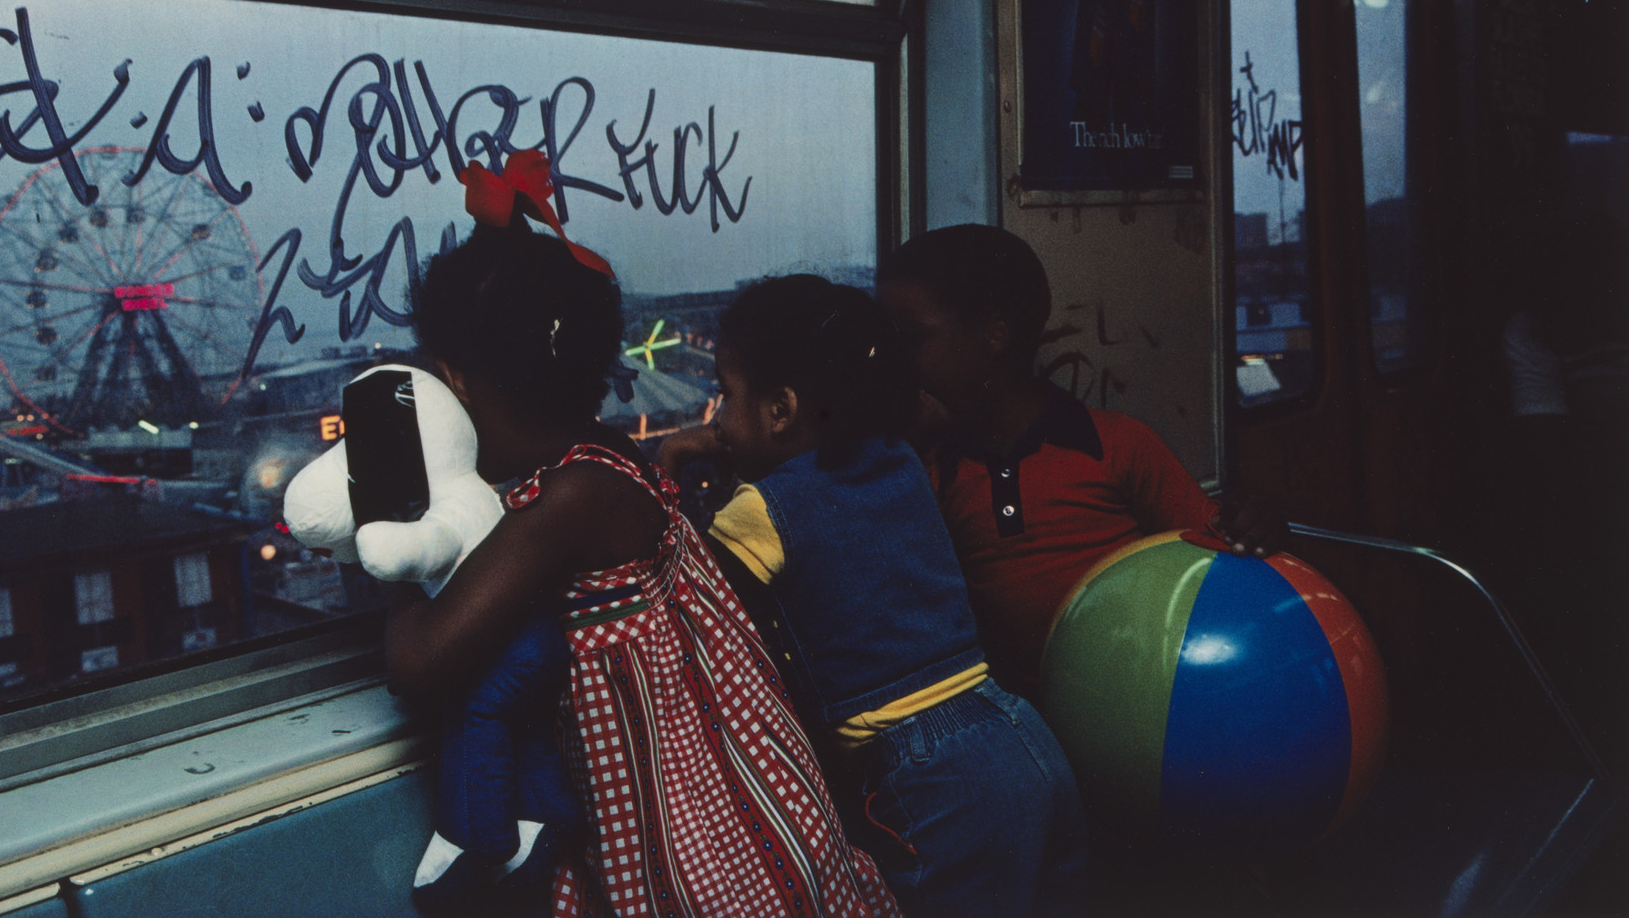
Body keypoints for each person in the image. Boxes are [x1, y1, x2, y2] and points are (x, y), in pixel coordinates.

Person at [384, 151, 900, 918]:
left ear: (455, 379)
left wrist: (387, 548)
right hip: (749, 804)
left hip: (688, 842)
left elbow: (422, 661)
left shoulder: (566, 503)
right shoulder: (608, 458)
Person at [660, 275, 1086, 917]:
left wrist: (669, 466)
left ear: (781, 410)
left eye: (725, 396)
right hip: (1019, 731)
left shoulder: (761, 510)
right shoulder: (897, 458)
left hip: (931, 773)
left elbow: (688, 597)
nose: (716, 419)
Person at [875, 224, 1285, 696]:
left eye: (911, 339)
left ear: (994, 337)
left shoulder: (1114, 446)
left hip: (1144, 700)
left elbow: (1219, 554)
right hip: (1027, 712)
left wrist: (1259, 527)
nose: (898, 362)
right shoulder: (931, 467)